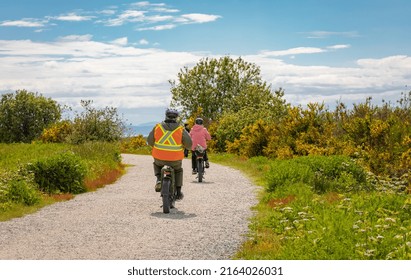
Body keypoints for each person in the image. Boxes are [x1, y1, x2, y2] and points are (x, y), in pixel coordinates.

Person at [147, 108, 192, 200]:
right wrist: (187, 148)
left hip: (159, 158)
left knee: (157, 165)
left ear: (166, 116)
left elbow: (150, 141)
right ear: (176, 117)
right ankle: (179, 192)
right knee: (178, 170)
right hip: (175, 160)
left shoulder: (158, 127)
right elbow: (189, 145)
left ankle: (159, 179)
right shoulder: (181, 129)